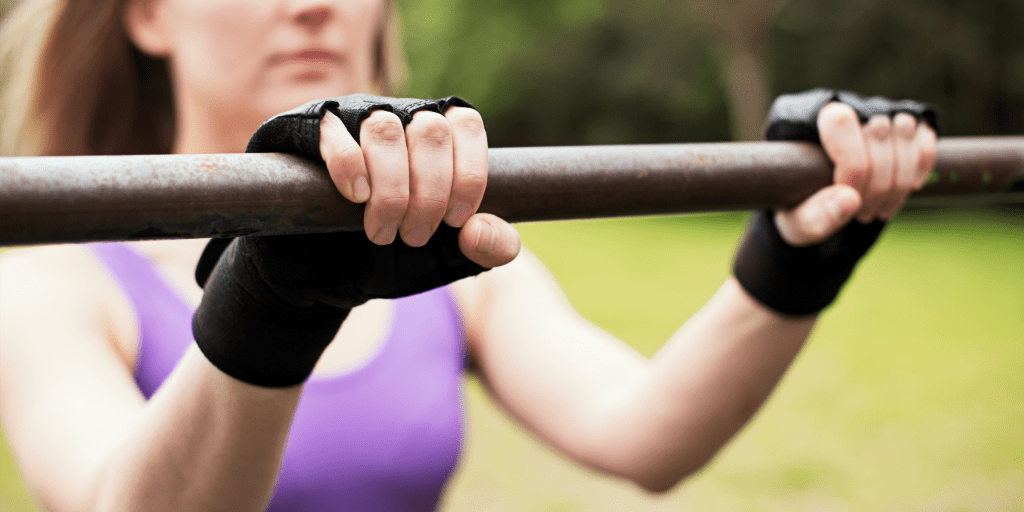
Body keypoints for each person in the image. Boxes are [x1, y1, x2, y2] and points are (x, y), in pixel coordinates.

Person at [0, 0, 938, 511]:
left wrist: (801, 253)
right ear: (146, 16)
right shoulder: (55, 274)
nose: (317, 8)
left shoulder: (432, 246)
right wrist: (273, 306)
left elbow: (646, 434)